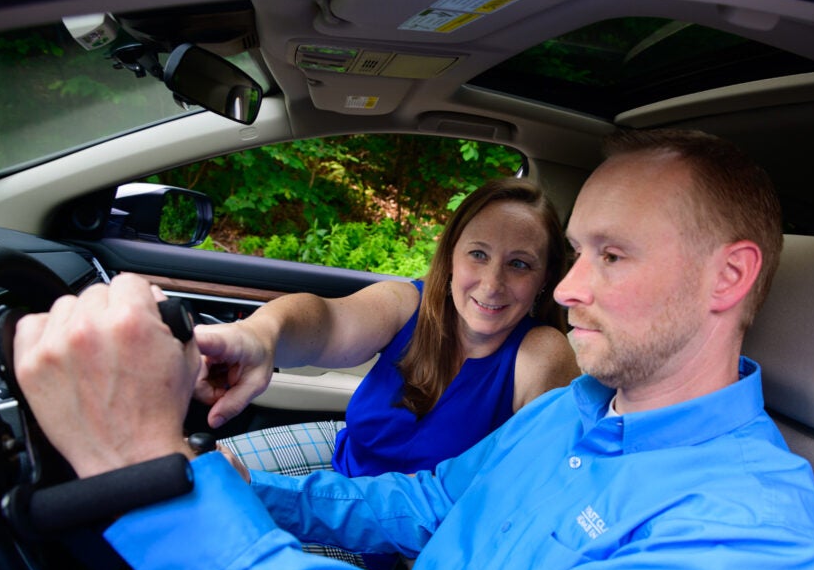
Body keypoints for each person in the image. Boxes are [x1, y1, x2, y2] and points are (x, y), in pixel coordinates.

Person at [13, 128, 814, 570]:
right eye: (576, 253)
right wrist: (215, 487)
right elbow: (430, 499)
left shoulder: (754, 538)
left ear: (727, 277)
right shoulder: (576, 410)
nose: (567, 288)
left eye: (612, 257)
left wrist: (144, 475)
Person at [195, 177, 578, 484]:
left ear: (545, 279)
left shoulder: (541, 354)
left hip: (404, 534)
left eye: (520, 264)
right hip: (342, 457)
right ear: (450, 258)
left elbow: (528, 490)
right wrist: (263, 334)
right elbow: (326, 321)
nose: (492, 283)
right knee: (194, 476)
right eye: (478, 254)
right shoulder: (408, 303)